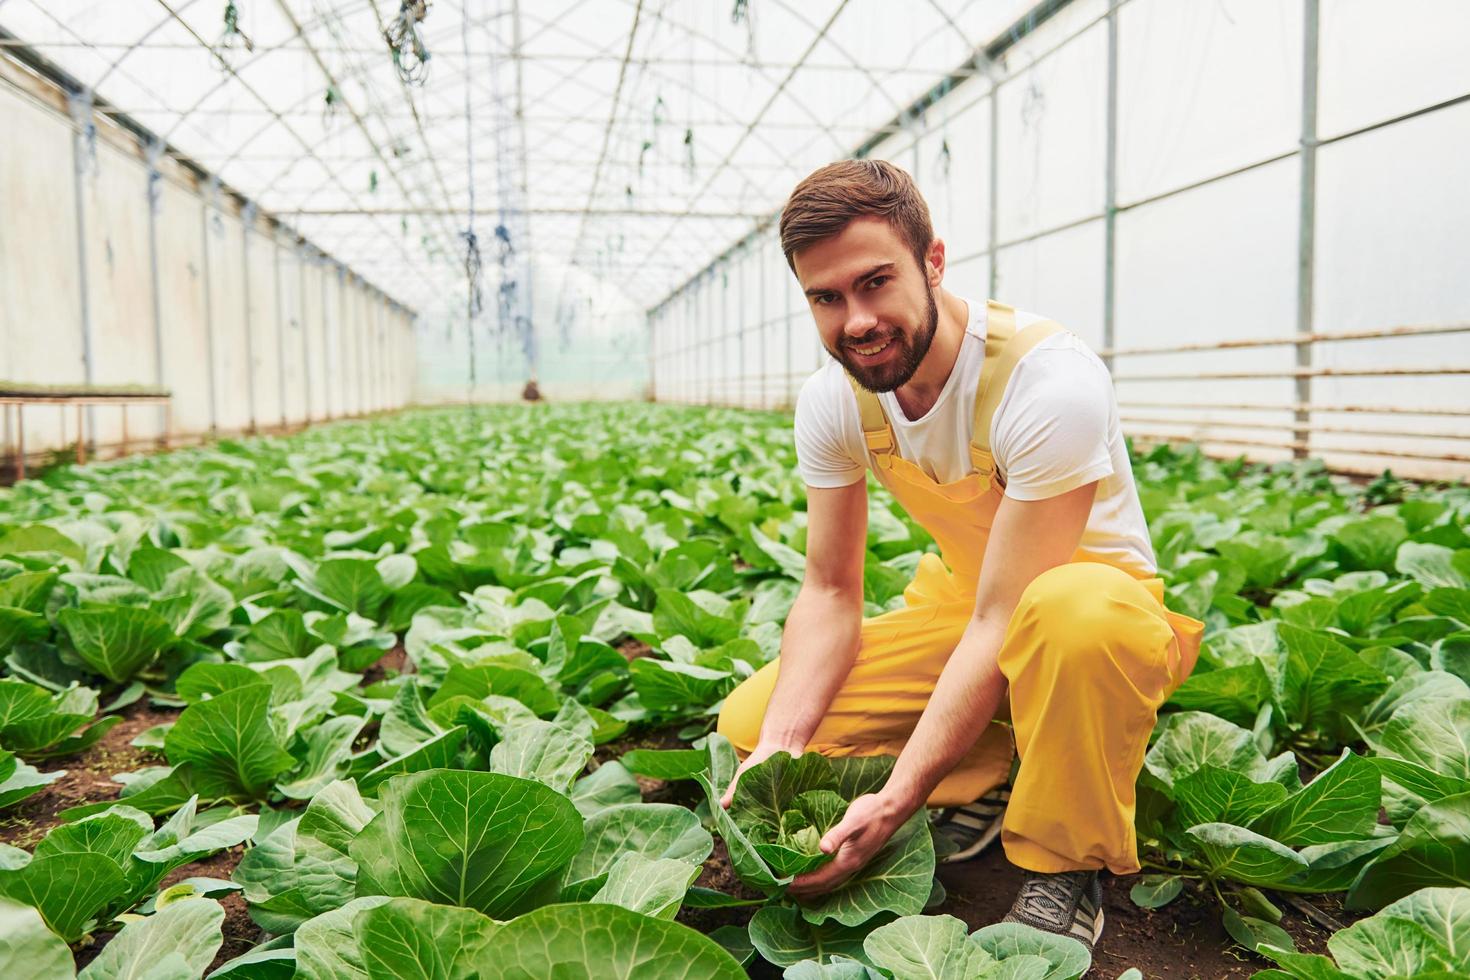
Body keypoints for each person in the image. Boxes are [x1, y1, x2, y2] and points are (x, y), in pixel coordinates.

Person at [715, 160, 1204, 948]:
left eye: (876, 282)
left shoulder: (1047, 382)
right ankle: (995, 762)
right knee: (752, 724)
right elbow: (831, 590)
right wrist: (782, 744)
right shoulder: (836, 399)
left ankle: (1062, 863)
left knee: (1070, 615)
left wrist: (901, 795)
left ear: (932, 261)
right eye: (827, 297)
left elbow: (1009, 612)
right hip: (966, 610)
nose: (858, 319)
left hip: (1096, 623)